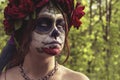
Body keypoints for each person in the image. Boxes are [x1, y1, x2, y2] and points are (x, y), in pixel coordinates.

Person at [0, 0, 89, 80]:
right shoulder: (5, 77)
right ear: (23, 32)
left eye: (60, 25)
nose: (56, 32)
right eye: (43, 24)